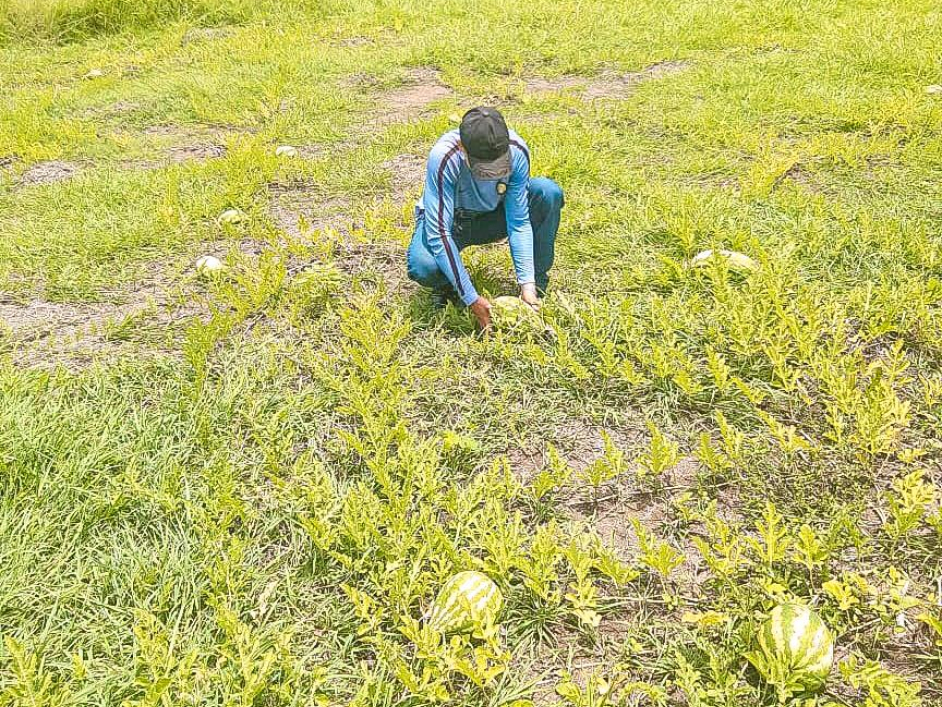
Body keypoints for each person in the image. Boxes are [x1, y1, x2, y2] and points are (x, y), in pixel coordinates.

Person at [406, 107, 564, 329]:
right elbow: (439, 233)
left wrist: (526, 283)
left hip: (491, 217)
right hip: (454, 223)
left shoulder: (517, 150)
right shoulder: (444, 157)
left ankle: (535, 289)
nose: (493, 174)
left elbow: (518, 221)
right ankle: (450, 287)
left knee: (546, 192)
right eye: (484, 169)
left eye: (499, 166)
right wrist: (471, 297)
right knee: (424, 266)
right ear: (462, 148)